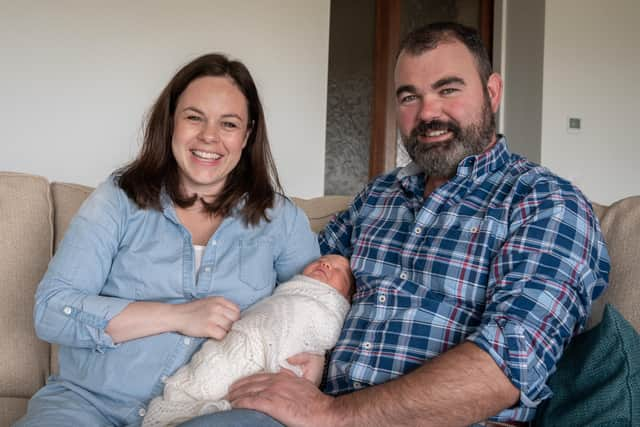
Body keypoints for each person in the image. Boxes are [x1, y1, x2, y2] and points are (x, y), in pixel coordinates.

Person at [207, 22, 611, 427]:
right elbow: (300, 284)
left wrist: (332, 414)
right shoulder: (377, 197)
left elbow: (509, 363)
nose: (428, 113)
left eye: (448, 90)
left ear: (492, 93)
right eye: (409, 97)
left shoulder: (544, 202)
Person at [14, 53, 320, 427]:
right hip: (88, 404)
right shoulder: (117, 199)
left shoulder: (280, 219)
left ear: (248, 133)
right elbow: (51, 310)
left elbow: (314, 303)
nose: (209, 136)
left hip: (214, 412)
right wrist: (178, 316)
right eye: (194, 117)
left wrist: (315, 355)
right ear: (171, 121)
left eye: (229, 123)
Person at [142, 254, 354, 427]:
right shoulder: (281, 293)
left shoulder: (326, 310)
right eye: (323, 259)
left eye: (339, 270)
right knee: (206, 374)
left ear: (346, 297)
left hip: (263, 375)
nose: (326, 263)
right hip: (231, 347)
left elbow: (315, 337)